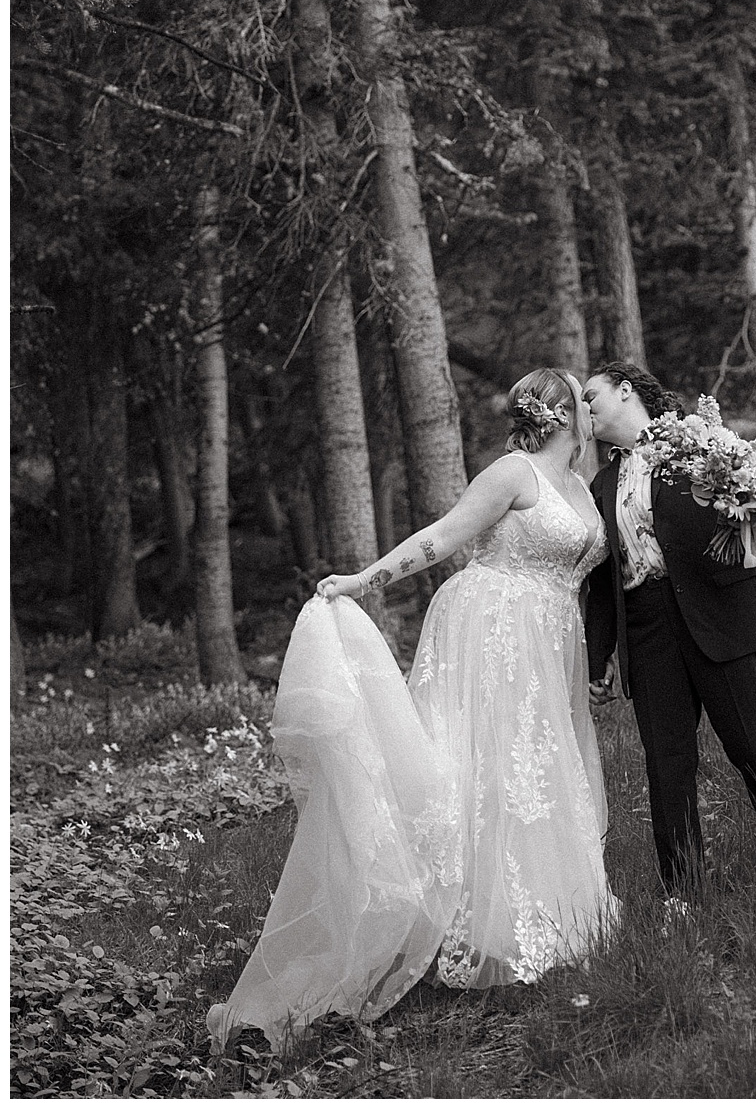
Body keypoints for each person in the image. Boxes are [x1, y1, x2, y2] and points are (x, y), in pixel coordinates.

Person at [208, 369, 615, 1051]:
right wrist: (366, 580)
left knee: (538, 773)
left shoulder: (583, 484)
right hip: (492, 629)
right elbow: (444, 536)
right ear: (565, 413)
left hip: (550, 642)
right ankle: (457, 922)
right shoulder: (513, 473)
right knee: (483, 770)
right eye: (581, 398)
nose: (590, 409)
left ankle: (537, 913)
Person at [582, 361, 756, 898]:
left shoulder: (696, 446)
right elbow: (605, 578)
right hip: (647, 627)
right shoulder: (601, 483)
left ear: (626, 390)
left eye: (591, 397)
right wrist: (598, 658)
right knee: (668, 765)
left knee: (752, 744)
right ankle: (683, 891)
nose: (584, 410)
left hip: (716, 616)